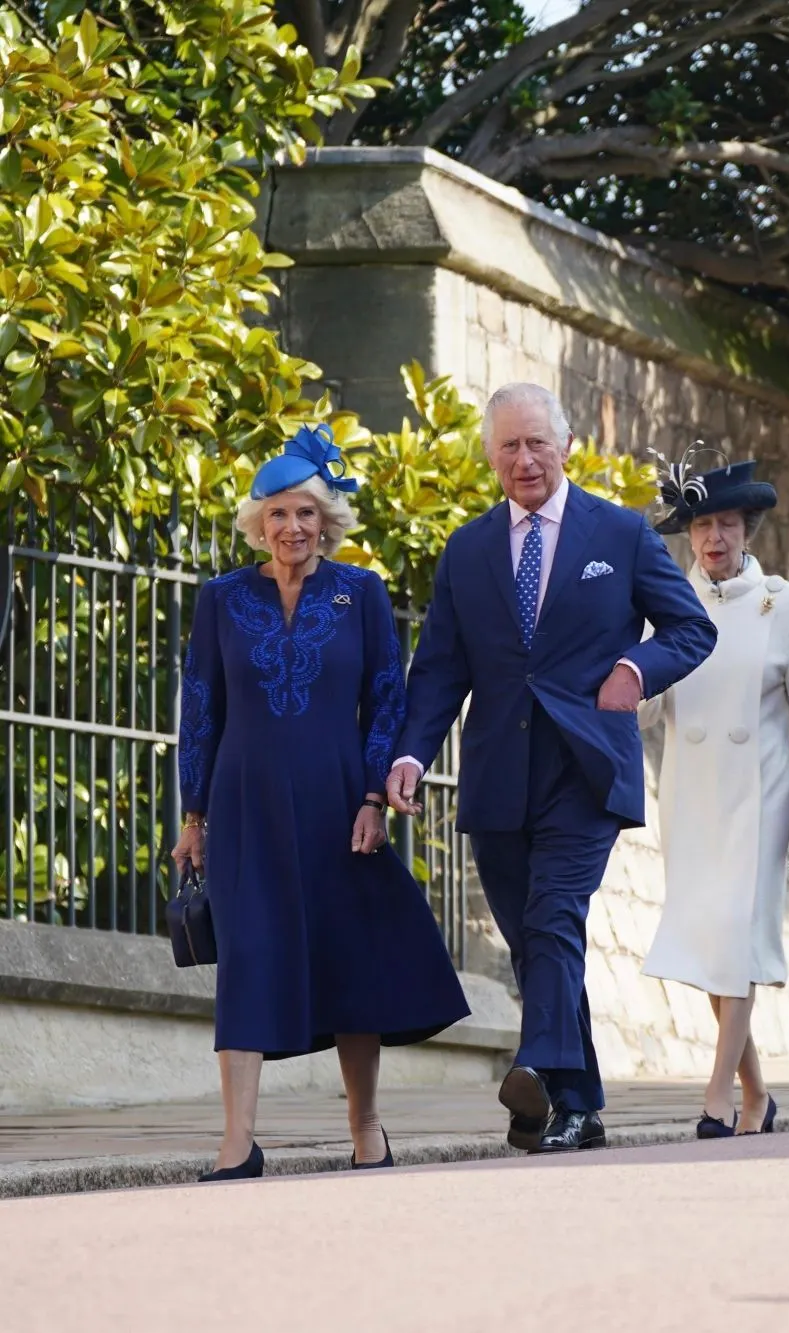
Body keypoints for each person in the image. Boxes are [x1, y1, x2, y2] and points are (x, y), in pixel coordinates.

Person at [386, 383, 717, 1152]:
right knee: (535, 943)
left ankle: (534, 1066)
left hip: (586, 766)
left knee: (553, 917)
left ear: (566, 445)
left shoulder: (621, 533)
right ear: (490, 456)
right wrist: (410, 752)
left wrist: (636, 668)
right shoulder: (468, 549)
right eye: (509, 445)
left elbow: (690, 628)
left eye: (538, 442)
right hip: (500, 772)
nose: (525, 458)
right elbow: (440, 669)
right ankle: (578, 1104)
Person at [173, 426, 470, 1181]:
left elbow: (386, 697)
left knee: (348, 960)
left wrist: (374, 796)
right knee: (246, 959)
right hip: (244, 806)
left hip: (340, 804)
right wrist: (194, 815)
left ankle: (365, 1126)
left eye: (306, 512)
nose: (293, 527)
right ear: (258, 522)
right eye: (278, 513)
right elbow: (201, 709)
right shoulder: (220, 599)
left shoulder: (360, 592)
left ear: (326, 519)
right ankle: (238, 1142)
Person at [640, 460, 789, 1138]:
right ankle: (756, 1093)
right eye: (702, 524)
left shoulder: (784, 604)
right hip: (689, 794)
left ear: (747, 529)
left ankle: (716, 1097)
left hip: (759, 792)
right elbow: (643, 708)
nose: (714, 537)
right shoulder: (667, 603)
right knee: (711, 945)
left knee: (737, 934)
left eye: (727, 523)